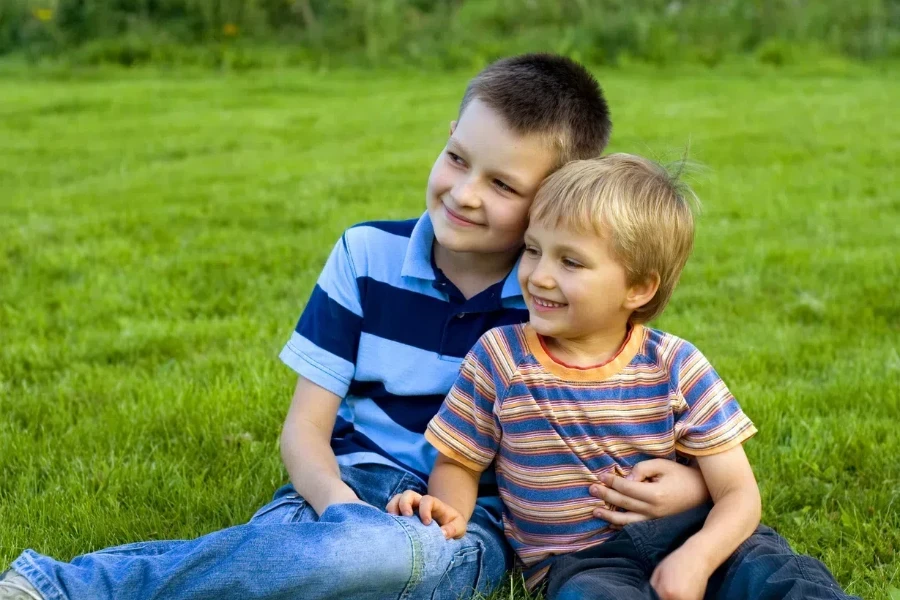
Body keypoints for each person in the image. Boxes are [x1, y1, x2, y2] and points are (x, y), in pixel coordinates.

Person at [0, 55, 710, 600]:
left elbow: (635, 412)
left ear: (554, 198)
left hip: (459, 524)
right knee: (305, 557)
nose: (463, 193)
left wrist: (689, 489)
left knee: (350, 563)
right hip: (334, 486)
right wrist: (340, 506)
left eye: (503, 185)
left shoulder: (551, 301)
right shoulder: (363, 254)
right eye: (458, 158)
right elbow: (304, 430)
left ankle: (69, 587)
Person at [388, 154, 861, 600]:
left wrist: (697, 557)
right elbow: (460, 463)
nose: (539, 276)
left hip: (692, 532)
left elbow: (738, 494)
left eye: (570, 261)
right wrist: (450, 512)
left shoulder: (675, 364)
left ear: (638, 287)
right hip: (579, 562)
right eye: (533, 250)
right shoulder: (499, 357)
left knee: (776, 574)